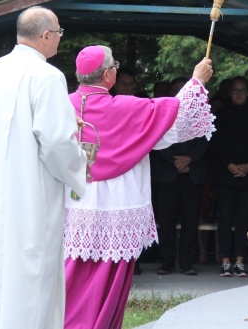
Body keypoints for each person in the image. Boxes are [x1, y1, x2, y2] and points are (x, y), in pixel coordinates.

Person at [64, 46, 214, 329]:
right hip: (118, 202)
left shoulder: (60, 104)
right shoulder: (127, 106)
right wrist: (197, 80)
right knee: (110, 275)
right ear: (109, 75)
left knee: (72, 270)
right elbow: (175, 117)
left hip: (74, 201)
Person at [0, 6, 87, 329]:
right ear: (46, 36)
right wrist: (81, 164)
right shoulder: (46, 75)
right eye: (59, 33)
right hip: (30, 196)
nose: (60, 39)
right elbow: (58, 142)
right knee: (31, 279)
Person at [151, 77, 210, 276]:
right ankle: (166, 263)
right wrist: (176, 161)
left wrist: (189, 159)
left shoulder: (200, 112)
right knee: (166, 220)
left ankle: (187, 263)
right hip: (168, 172)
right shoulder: (164, 111)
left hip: (193, 173)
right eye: (176, 89)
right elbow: (156, 138)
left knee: (191, 219)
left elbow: (206, 139)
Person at [210, 76, 248, 277]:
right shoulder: (221, 114)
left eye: (242, 90)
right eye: (235, 90)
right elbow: (215, 144)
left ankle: (240, 260)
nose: (239, 94)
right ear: (230, 93)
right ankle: (226, 260)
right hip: (226, 173)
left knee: (243, 218)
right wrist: (230, 165)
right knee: (224, 218)